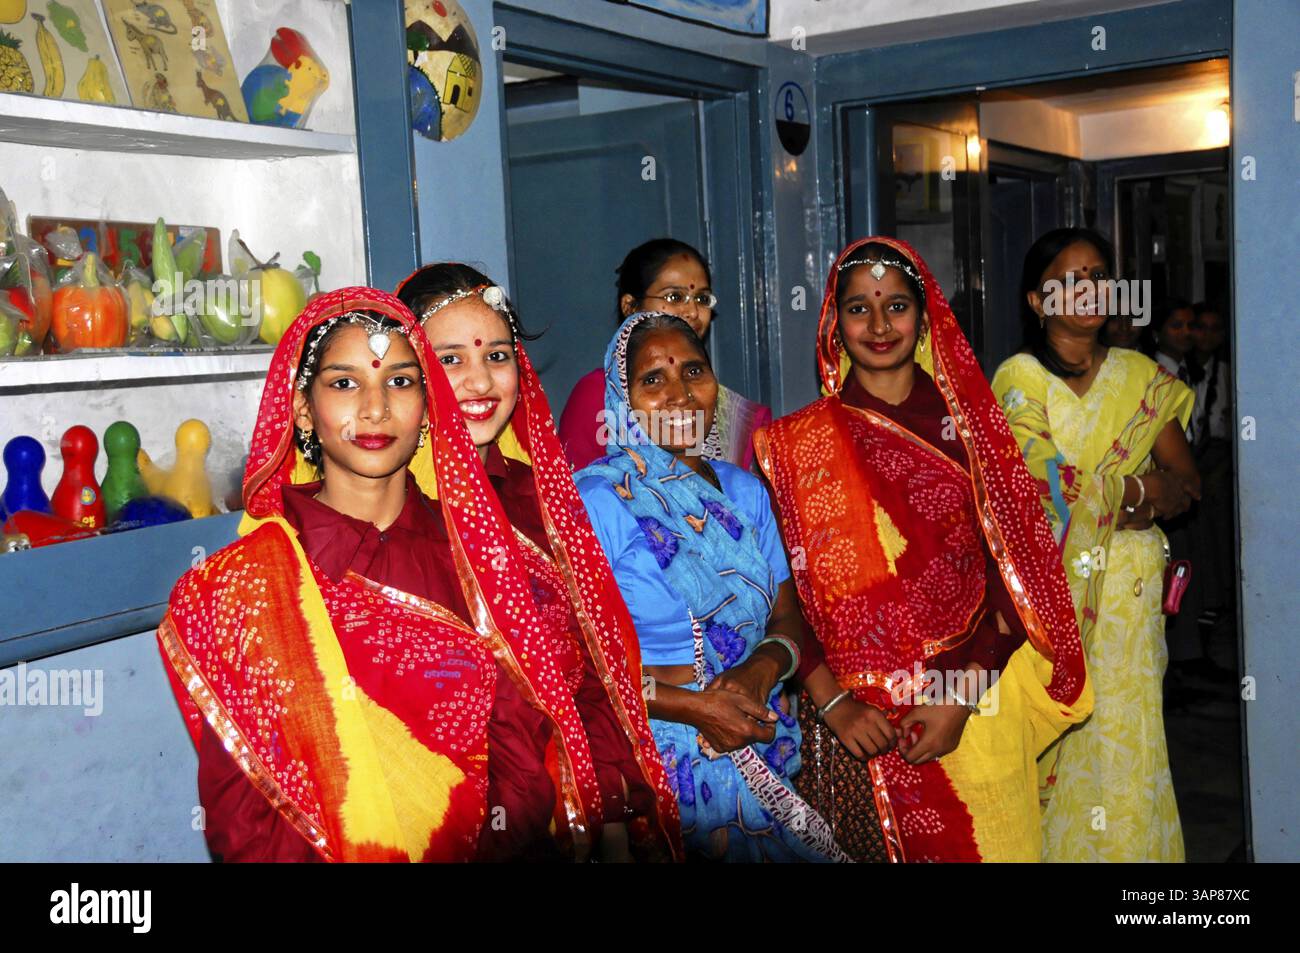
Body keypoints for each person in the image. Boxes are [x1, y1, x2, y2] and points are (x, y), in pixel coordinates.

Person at [158, 286, 679, 862]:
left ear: (431, 403)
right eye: (344, 382)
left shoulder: (482, 556)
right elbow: (246, 813)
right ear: (303, 407)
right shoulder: (243, 585)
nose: (376, 408)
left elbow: (522, 749)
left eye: (401, 381)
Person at [755, 237, 1092, 863]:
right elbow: (784, 598)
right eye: (859, 308)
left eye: (897, 306)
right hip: (859, 730)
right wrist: (834, 704)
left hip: (975, 698)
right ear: (833, 321)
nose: (879, 326)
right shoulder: (797, 445)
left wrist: (959, 699)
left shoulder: (974, 428)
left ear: (925, 314)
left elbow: (1019, 576)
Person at [393, 264, 683, 861]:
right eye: (450, 360)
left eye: (497, 355)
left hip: (570, 809)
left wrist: (607, 807)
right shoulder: (390, 507)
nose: (480, 381)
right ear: (407, 374)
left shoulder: (543, 497)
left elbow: (596, 660)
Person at [575, 311, 846, 862]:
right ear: (620, 397)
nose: (678, 393)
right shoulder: (596, 499)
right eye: (652, 379)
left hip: (754, 734)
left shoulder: (746, 493)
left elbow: (786, 617)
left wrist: (756, 672)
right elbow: (578, 665)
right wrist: (697, 708)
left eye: (693, 371)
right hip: (653, 760)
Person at [992, 227, 1200, 861]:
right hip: (1054, 594)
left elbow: (1188, 484)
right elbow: (1044, 485)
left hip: (1131, 602)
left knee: (1129, 738)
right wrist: (1139, 491)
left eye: (1098, 275)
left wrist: (1121, 494)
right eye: (1069, 279)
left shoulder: (1142, 377)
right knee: (1064, 733)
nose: (1088, 289)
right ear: (1036, 300)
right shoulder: (1017, 377)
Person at [559, 238, 771, 471]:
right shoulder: (596, 395)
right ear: (630, 305)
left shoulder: (729, 412)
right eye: (674, 297)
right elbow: (577, 499)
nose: (691, 311)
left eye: (701, 299)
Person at [1189, 302, 1233, 628]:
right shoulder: (1180, 371)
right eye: (1199, 327)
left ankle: (1220, 599)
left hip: (1220, 455)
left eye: (1214, 328)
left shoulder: (1230, 372)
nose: (1206, 336)